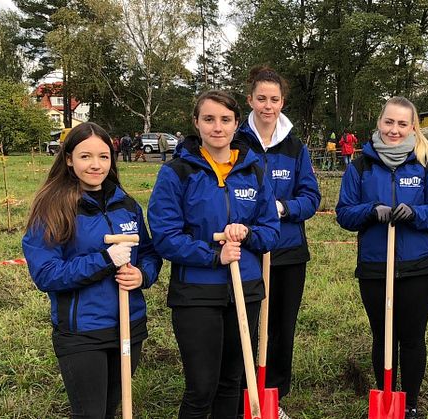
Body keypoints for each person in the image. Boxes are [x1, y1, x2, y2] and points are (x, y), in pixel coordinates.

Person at [147, 90, 280, 418]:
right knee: (201, 387)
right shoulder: (177, 173)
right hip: (196, 293)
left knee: (230, 382)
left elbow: (271, 231)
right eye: (208, 119)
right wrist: (212, 255)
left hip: (244, 289)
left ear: (237, 123)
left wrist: (247, 233)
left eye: (225, 120)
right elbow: (165, 237)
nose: (217, 127)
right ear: (196, 123)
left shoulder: (254, 171)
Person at [22, 122, 162, 418]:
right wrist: (105, 260)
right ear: (69, 159)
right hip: (82, 332)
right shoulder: (53, 208)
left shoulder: (126, 204)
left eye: (103, 156)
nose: (95, 165)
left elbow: (148, 252)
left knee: (110, 408)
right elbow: (46, 273)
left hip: (128, 324)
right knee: (91, 413)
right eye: (85, 156)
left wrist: (143, 275)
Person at [336, 96, 428, 419]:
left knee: (412, 336)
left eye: (403, 124)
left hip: (419, 267)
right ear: (379, 122)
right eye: (389, 122)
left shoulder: (426, 163)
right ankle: (385, 398)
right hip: (375, 266)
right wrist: (371, 211)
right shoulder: (360, 166)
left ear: (413, 127)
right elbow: (344, 214)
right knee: (383, 335)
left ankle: (411, 403)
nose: (395, 129)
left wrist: (415, 212)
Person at [234, 66, 321, 419]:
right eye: (261, 99)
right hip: (249, 251)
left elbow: (311, 197)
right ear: (250, 100)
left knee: (282, 325)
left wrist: (283, 207)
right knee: (246, 324)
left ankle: (274, 395)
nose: (267, 106)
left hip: (287, 252)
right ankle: (242, 392)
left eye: (274, 99)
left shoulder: (295, 147)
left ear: (282, 102)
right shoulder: (236, 142)